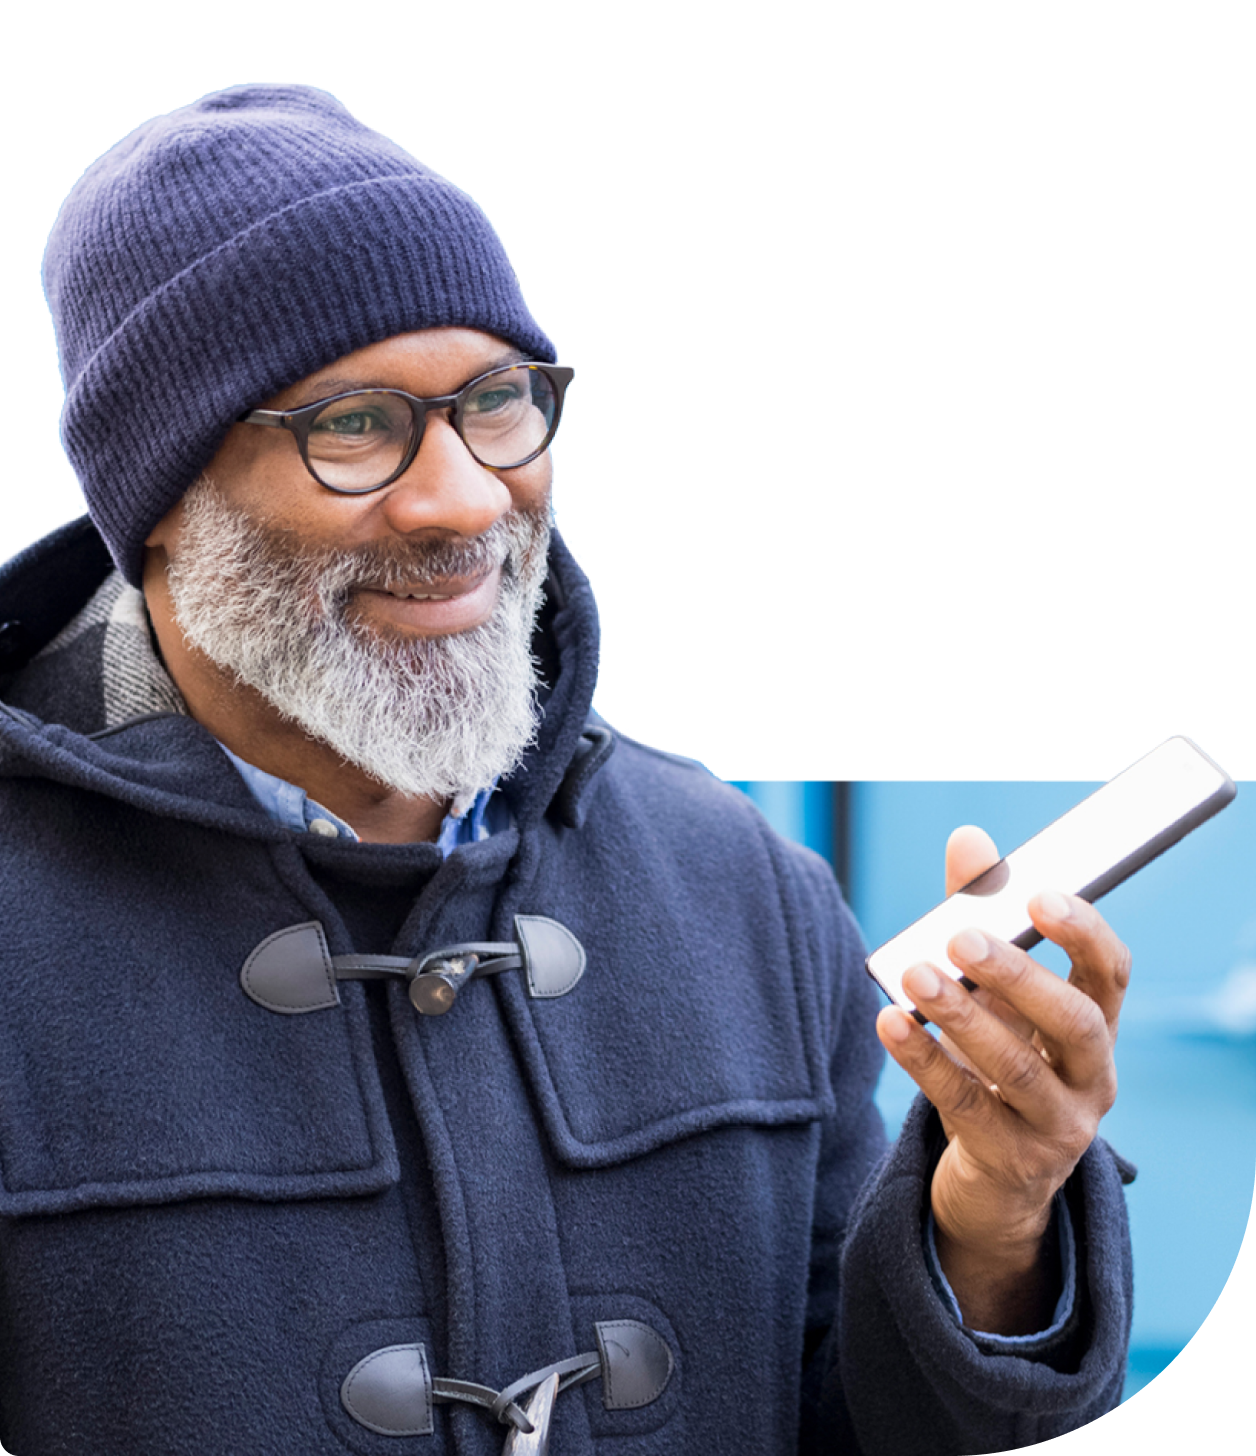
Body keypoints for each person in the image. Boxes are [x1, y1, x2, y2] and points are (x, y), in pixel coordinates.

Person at [0, 83, 1135, 1455]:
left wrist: (993, 1231)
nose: (466, 498)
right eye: (354, 425)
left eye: (497, 402)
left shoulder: (744, 890)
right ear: (163, 494)